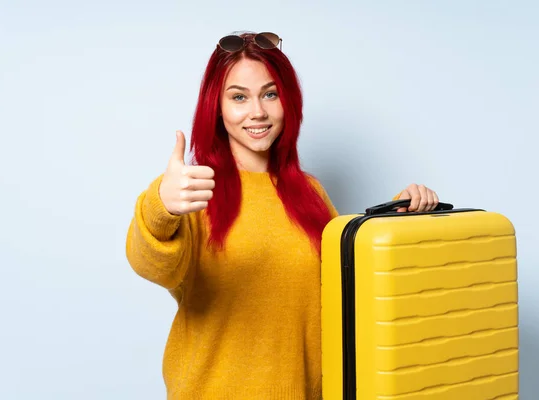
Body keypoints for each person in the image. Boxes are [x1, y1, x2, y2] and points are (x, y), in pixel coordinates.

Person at [125, 31, 440, 400]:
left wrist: (394, 217)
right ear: (217, 106)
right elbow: (150, 264)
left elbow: (342, 286)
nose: (257, 111)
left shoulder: (309, 192)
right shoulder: (193, 191)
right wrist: (159, 205)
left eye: (269, 94)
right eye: (239, 97)